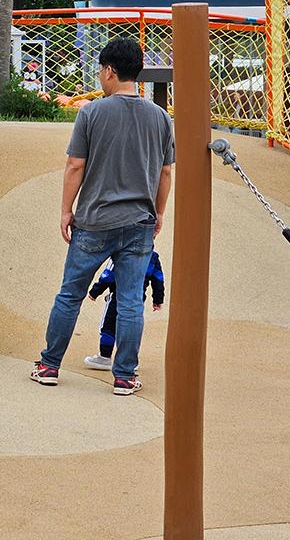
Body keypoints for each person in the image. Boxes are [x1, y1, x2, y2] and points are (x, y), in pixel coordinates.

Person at [31, 37, 174, 396]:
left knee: (70, 294)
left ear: (109, 71)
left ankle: (49, 365)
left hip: (94, 220)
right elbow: (166, 171)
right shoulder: (160, 118)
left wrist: (66, 210)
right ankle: (124, 375)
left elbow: (75, 165)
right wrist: (158, 212)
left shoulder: (91, 113)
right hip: (138, 222)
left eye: (100, 70)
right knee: (130, 301)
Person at [83, 251, 165, 371]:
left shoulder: (120, 251)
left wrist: (95, 291)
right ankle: (129, 361)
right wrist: (158, 299)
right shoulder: (152, 257)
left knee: (108, 326)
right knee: (131, 327)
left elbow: (108, 275)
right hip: (138, 298)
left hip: (118, 295)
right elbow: (158, 279)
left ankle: (104, 357)